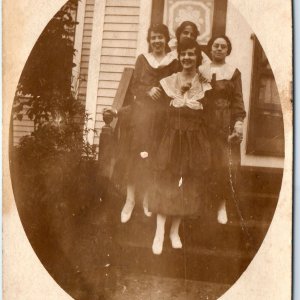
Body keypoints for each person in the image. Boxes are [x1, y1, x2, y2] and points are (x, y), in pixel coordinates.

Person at [108, 24, 179, 224]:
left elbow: (176, 84)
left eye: (160, 38)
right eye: (154, 38)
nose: (157, 41)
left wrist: (162, 92)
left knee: (155, 156)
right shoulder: (142, 59)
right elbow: (134, 86)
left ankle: (148, 197)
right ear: (150, 40)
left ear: (166, 40)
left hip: (163, 117)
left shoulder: (173, 62)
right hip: (142, 116)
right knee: (136, 154)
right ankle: (130, 200)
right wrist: (148, 91)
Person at [149, 38, 212, 255]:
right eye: (183, 53)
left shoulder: (205, 82)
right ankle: (159, 233)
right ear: (179, 56)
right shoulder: (169, 80)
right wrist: (179, 93)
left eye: (191, 54)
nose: (187, 57)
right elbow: (158, 113)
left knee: (184, 186)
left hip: (194, 139)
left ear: (197, 57)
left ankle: (174, 232)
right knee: (166, 183)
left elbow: (208, 113)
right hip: (171, 138)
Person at [199, 35, 246, 224]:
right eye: (216, 46)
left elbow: (237, 99)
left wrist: (238, 122)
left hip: (224, 122)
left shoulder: (233, 72)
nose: (219, 49)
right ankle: (200, 206)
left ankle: (221, 206)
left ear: (228, 50)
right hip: (203, 121)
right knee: (204, 161)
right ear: (210, 49)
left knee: (224, 165)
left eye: (223, 46)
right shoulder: (201, 70)